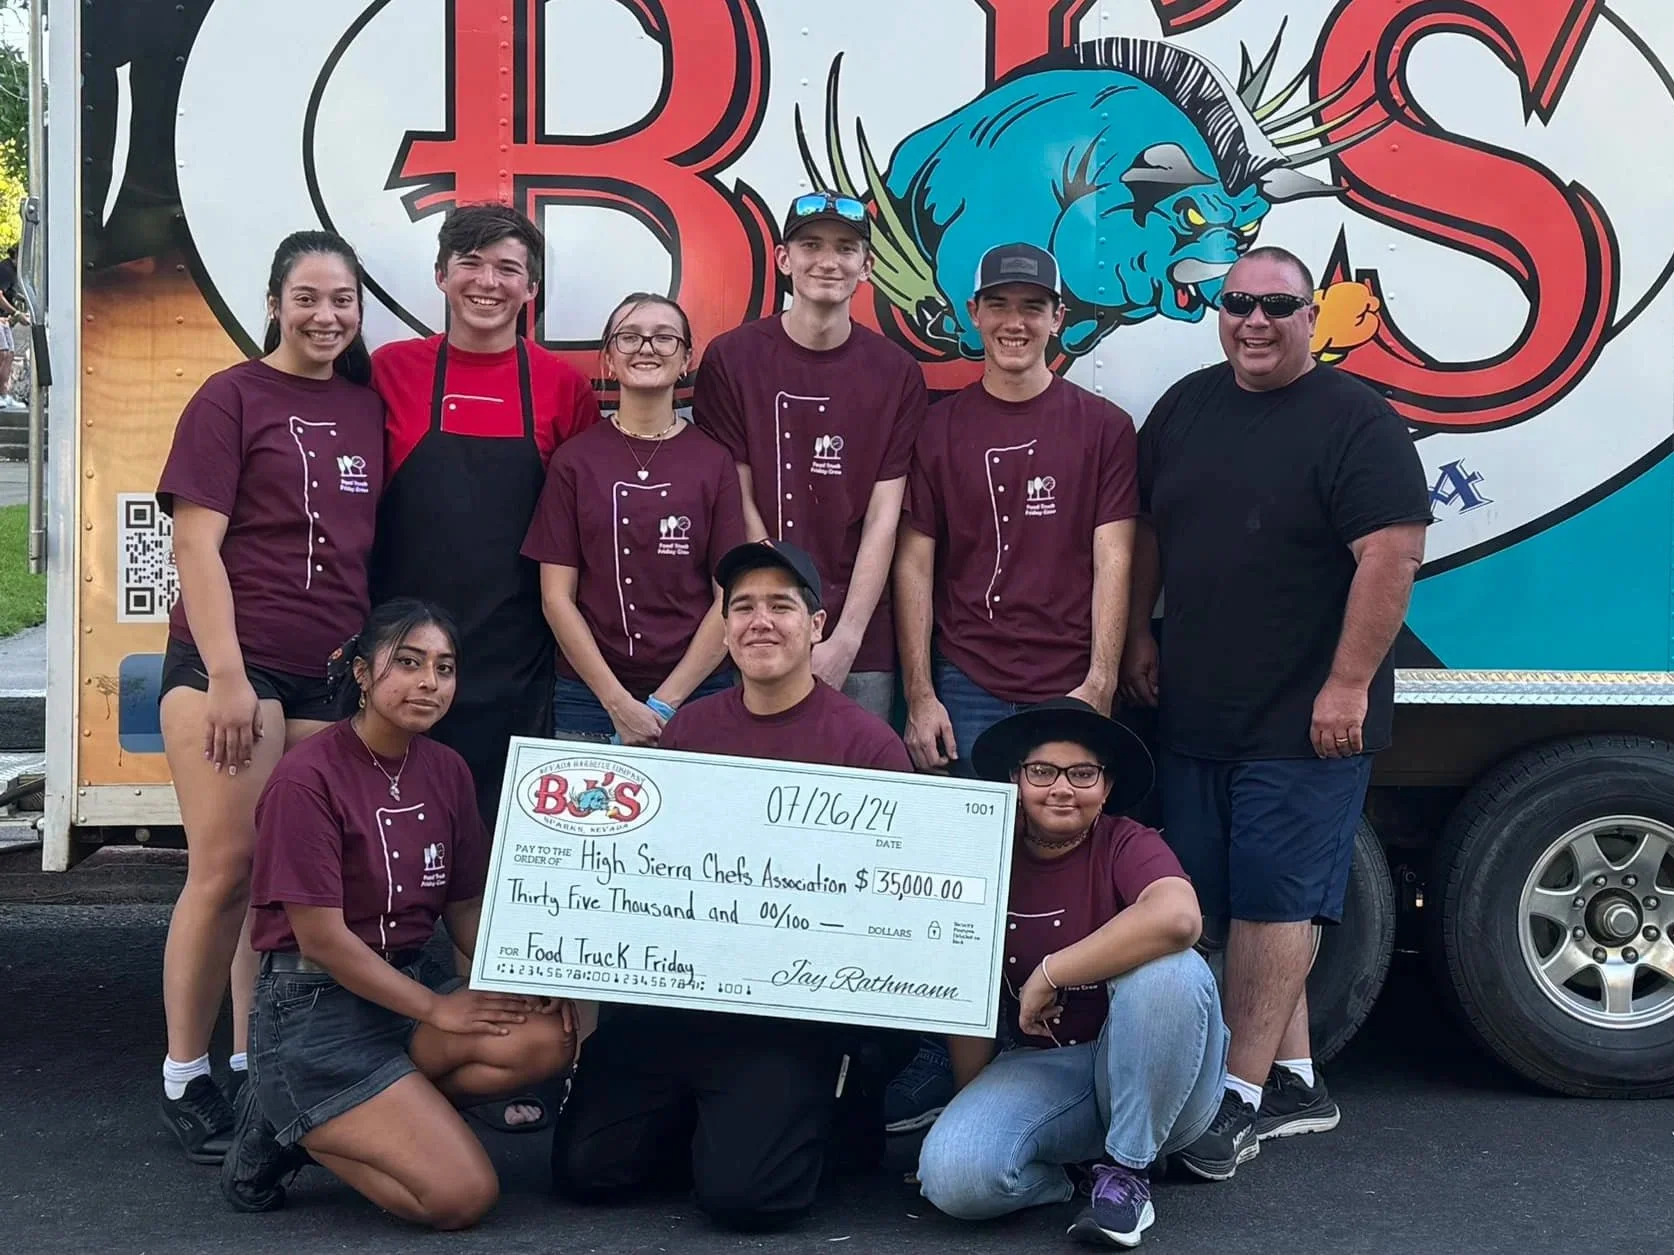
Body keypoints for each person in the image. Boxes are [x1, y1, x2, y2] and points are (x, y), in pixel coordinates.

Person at [1120, 246, 1430, 1178]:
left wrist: (1348, 684)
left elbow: (1391, 555)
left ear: (1311, 316)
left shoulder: (1356, 421)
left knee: (1274, 905)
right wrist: (1137, 633)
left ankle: (1236, 1100)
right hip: (1197, 710)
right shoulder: (1185, 408)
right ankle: (1295, 1080)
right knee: (1225, 902)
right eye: (1237, 303)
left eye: (1277, 306)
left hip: (1305, 722)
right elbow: (1149, 532)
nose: (1255, 321)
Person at [549, 539, 914, 1231]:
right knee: (585, 1171)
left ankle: (816, 1119)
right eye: (742, 607)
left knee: (748, 1200)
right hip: (686, 996)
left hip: (792, 1013)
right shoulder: (691, 730)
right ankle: (724, 1125)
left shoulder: (867, 746)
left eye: (781, 606)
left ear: (816, 625)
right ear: (724, 628)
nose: (760, 622)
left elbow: (891, 903)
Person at [218, 599, 576, 1227]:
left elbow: (465, 903)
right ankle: (285, 1121)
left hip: (403, 983)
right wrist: (439, 1008)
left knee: (546, 1039)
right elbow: (322, 939)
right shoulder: (306, 778)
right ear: (361, 672)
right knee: (461, 1198)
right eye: (408, 663)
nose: (429, 682)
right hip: (313, 1006)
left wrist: (523, 973)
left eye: (444, 667)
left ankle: (339, 1116)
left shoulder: (446, 769)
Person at [889, 241, 1139, 1131]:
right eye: (999, 305)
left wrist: (1099, 680)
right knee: (958, 880)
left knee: (1068, 870)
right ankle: (950, 1048)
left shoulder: (1102, 426)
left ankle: (1066, 1040)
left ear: (1058, 320)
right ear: (974, 316)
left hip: (1066, 687)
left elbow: (1115, 556)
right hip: (969, 684)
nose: (1015, 322)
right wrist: (922, 693)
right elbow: (915, 564)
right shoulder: (939, 427)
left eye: (1033, 306)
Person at [153, 231, 383, 1164]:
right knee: (226, 870)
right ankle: (185, 1074)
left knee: (284, 885)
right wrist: (228, 675)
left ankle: (257, 1066)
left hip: (327, 674)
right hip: (231, 671)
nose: (326, 315)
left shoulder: (366, 407)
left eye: (343, 300)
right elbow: (195, 544)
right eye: (308, 297)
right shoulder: (231, 396)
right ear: (276, 302)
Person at [917, 698, 1227, 1248]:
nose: (1062, 788)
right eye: (1042, 771)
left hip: (1156, 1068)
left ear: (1106, 788)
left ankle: (1128, 1174)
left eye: (1083, 774)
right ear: (1015, 779)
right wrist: (973, 1105)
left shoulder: (1127, 842)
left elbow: (1179, 917)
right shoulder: (984, 852)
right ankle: (1075, 1177)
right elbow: (964, 981)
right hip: (1046, 1070)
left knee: (1171, 971)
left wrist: (1051, 972)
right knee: (954, 1178)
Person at [369, 203, 602, 825]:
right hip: (401, 661)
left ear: (531, 288)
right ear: (441, 275)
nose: (488, 282)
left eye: (508, 268)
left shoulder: (563, 386)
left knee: (498, 840)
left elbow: (580, 530)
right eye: (470, 263)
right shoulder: (390, 371)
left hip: (516, 664)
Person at [694, 192, 929, 720]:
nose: (828, 261)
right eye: (811, 245)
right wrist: (777, 618)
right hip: (758, 630)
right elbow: (737, 499)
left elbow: (884, 518)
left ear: (866, 266)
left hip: (859, 644)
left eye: (846, 248)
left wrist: (845, 638)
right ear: (784, 259)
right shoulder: (733, 359)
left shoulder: (896, 372)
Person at [523, 293, 746, 742]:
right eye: (629, 337)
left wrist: (665, 703)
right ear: (608, 358)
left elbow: (731, 598)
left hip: (699, 693)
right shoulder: (574, 461)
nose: (647, 348)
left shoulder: (714, 461)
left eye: (664, 338)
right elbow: (556, 599)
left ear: (686, 359)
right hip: (588, 699)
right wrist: (617, 703)